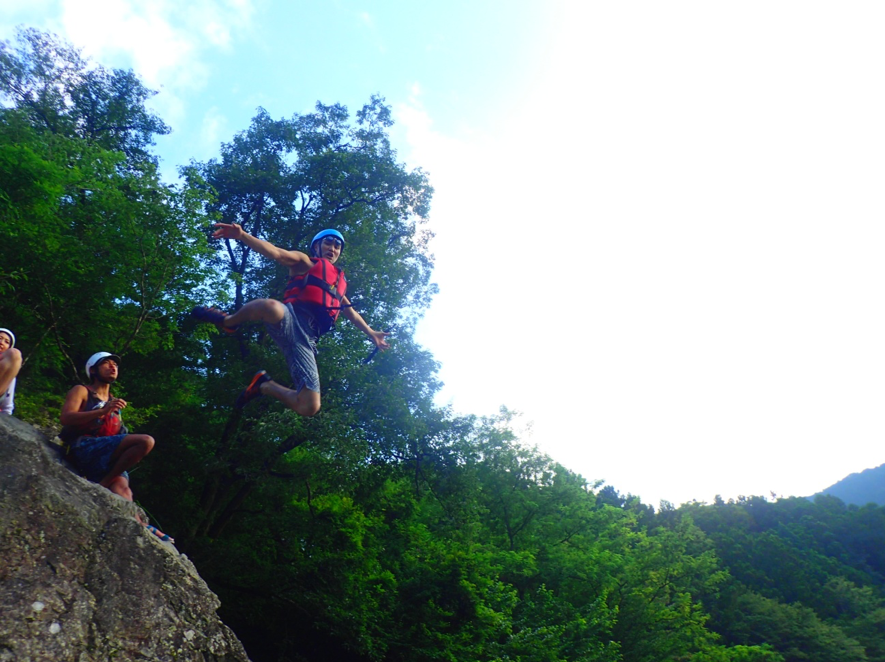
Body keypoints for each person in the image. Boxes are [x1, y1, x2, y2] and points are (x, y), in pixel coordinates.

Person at [193, 225, 390, 416]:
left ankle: (264, 385)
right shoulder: (304, 262)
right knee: (270, 307)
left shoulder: (337, 286)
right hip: (291, 317)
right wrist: (243, 235)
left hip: (307, 340)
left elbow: (352, 314)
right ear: (316, 246)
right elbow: (276, 253)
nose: (332, 248)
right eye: (328, 243)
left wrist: (371, 333)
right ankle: (229, 322)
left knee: (309, 406)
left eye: (337, 246)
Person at [58, 352, 171, 542]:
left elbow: (116, 436)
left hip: (103, 456)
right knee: (146, 441)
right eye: (106, 364)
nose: (113, 367)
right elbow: (66, 417)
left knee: (123, 488)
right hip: (83, 447)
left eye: (115, 365)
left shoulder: (114, 402)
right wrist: (102, 411)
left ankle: (139, 524)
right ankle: (104, 483)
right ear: (93, 370)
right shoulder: (82, 391)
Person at [0, 327, 21, 415]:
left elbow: (7, 407)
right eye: (0, 338)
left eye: (6, 342)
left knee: (15, 353)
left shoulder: (8, 373)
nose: (1, 342)